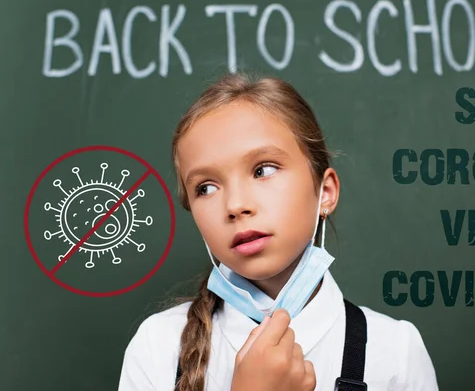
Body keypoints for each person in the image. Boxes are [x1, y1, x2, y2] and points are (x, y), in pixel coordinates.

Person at [117, 72, 439, 391]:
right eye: (206, 187)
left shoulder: (396, 354)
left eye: (263, 170)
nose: (236, 205)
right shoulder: (157, 349)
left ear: (324, 192)